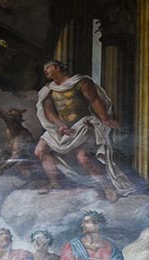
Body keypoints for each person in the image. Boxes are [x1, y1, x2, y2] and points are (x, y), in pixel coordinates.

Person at [34, 60, 135, 201]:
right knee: (39, 151)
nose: (45, 71)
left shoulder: (80, 82)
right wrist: (60, 125)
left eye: (48, 67)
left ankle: (107, 186)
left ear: (57, 67)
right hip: (62, 128)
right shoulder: (48, 90)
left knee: (83, 158)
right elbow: (49, 111)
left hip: (82, 125)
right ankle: (55, 182)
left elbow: (94, 100)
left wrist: (105, 119)